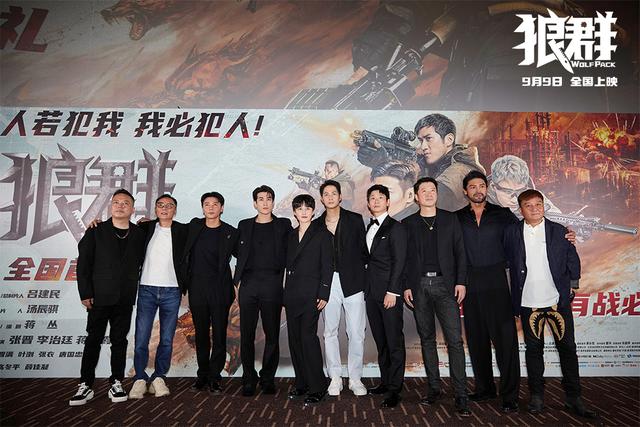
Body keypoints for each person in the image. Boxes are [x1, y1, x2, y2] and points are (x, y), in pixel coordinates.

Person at [503, 190, 597, 419]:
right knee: (534, 351)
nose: (534, 209)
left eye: (538, 204)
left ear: (544, 205)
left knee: (568, 349)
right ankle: (537, 396)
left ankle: (574, 397)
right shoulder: (512, 232)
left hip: (557, 301)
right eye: (528, 205)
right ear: (521, 209)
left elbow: (572, 257)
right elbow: (506, 260)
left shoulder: (559, 231)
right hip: (528, 302)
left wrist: (573, 284)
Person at [69, 189, 146, 406]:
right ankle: (85, 384)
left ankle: (116, 382)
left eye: (125, 203)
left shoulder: (140, 234)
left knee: (119, 341)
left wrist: (148, 222)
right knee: (93, 340)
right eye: (116, 202)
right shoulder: (96, 230)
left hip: (125, 297)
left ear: (132, 209)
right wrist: (85, 293)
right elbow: (84, 264)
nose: (120, 206)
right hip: (99, 297)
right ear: (111, 206)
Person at [402, 177, 470, 416]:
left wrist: (461, 281)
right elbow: (404, 259)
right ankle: (434, 388)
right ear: (416, 196)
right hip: (419, 286)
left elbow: (460, 252)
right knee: (427, 339)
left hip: (446, 285)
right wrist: (407, 286)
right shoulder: (408, 223)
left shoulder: (450, 219)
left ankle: (461, 394)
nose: (429, 194)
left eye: (433, 190)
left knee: (455, 341)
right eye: (424, 190)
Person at [454, 171, 521, 412]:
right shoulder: (457, 217)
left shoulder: (503, 214)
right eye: (472, 186)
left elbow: (526, 234)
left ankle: (510, 395)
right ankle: (485, 388)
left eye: (481, 185)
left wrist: (563, 234)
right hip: (469, 283)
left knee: (505, 341)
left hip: (497, 280)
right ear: (465, 191)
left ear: (487, 188)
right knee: (477, 340)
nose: (478, 190)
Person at [234, 185, 293, 396]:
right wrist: (237, 281)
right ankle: (248, 378)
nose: (265, 202)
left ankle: (267, 378)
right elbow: (237, 252)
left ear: (273, 202)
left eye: (269, 198)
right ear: (254, 203)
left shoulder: (283, 225)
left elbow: (293, 250)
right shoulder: (244, 225)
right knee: (246, 335)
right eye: (261, 199)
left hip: (272, 284)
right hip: (248, 285)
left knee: (272, 334)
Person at [129, 194, 188, 399]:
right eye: (160, 205)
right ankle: (139, 378)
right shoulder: (145, 228)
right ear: (155, 209)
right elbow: (121, 228)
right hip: (147, 289)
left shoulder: (183, 230)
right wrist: (96, 224)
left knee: (167, 338)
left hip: (172, 290)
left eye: (169, 206)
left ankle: (159, 377)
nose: (164, 208)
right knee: (141, 337)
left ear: (175, 210)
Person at [314, 180, 368, 397]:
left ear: (340, 196)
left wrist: (358, 274)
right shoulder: (317, 224)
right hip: (328, 283)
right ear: (321, 198)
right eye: (326, 194)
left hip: (353, 281)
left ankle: (355, 378)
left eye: (333, 193)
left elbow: (363, 252)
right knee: (329, 331)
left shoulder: (354, 219)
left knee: (356, 332)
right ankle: (335, 377)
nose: (330, 197)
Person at [182, 192, 239, 393]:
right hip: (197, 289)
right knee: (201, 334)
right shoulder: (194, 227)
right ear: (202, 208)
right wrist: (146, 224)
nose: (211, 207)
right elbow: (170, 227)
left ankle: (215, 377)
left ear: (222, 208)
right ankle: (203, 375)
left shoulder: (230, 232)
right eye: (207, 204)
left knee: (220, 335)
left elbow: (245, 254)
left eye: (215, 204)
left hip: (220, 290)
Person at [284, 194, 333, 404]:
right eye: (299, 208)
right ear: (294, 212)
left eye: (307, 208)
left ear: (313, 211)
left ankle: (318, 386)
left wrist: (324, 293)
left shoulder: (323, 234)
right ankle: (301, 383)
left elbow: (327, 266)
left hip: (312, 295)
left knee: (308, 338)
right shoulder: (290, 236)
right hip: (292, 294)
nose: (303, 212)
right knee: (294, 340)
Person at [364, 184, 407, 408]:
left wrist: (393, 291)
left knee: (394, 341)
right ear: (368, 203)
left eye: (381, 197)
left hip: (389, 294)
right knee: (381, 341)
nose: (376, 201)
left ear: (388, 202)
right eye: (372, 198)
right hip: (371, 293)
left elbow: (400, 262)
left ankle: (395, 389)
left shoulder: (396, 228)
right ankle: (385, 381)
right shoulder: (368, 227)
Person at [414, 114, 485, 211]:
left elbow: (428, 205)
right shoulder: (439, 166)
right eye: (421, 141)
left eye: (429, 139)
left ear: (449, 140)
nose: (423, 147)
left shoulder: (459, 170)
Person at [487, 155, 560, 215]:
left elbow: (558, 218)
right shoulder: (482, 203)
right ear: (493, 186)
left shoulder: (536, 196)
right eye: (508, 192)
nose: (515, 200)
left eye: (520, 191)